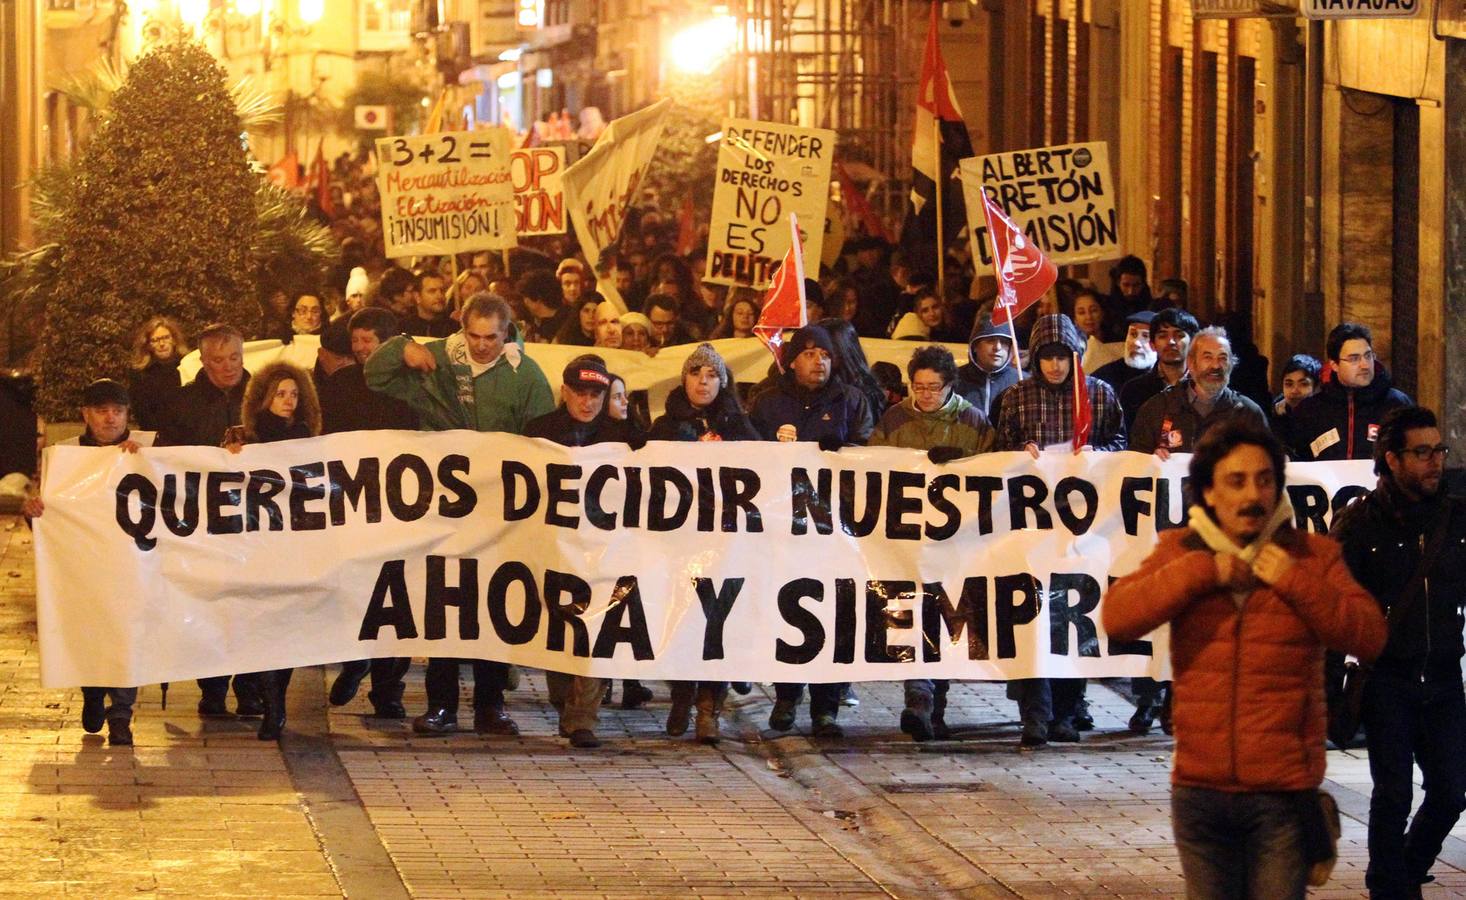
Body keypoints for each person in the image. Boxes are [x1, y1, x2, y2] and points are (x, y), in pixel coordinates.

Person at [1104, 420, 1386, 898]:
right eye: (1236, 481)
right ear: (1209, 493)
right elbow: (1118, 618)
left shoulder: (1312, 557)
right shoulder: (1182, 551)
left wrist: (1294, 581)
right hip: (1200, 794)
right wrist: (1201, 572)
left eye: (1264, 480)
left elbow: (1369, 636)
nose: (1253, 494)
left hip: (1282, 794)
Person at [366, 293, 555, 737]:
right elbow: (375, 375)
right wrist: (401, 347)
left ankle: (491, 706)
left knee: (496, 605)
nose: (482, 345)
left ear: (507, 333)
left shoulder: (525, 375)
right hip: (445, 508)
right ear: (462, 328)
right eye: (474, 336)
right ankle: (442, 705)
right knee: (443, 603)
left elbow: (544, 437)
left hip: (499, 512)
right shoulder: (438, 361)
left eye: (491, 338)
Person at [1331, 406, 1466, 897]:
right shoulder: (1359, 524)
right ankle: (1390, 888)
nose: (1435, 461)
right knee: (1393, 794)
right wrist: (1327, 694)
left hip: (1444, 677)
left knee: (1451, 790)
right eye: (1422, 452)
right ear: (1392, 458)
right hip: (1388, 678)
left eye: (1439, 450)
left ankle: (1402, 872)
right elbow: (1331, 611)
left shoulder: (1455, 516)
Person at [994, 313, 1124, 748]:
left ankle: (1067, 711)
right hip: (1030, 528)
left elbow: (1122, 446)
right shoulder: (1017, 397)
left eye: (1062, 357)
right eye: (1047, 357)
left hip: (1082, 529)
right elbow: (998, 454)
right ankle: (1035, 713)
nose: (1055, 366)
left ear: (1075, 357)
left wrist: (1095, 453)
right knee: (1032, 616)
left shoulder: (1099, 395)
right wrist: (1020, 451)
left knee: (1072, 619)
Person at [751, 325, 874, 737]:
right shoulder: (768, 403)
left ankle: (826, 707)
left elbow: (872, 452)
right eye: (809, 353)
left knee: (834, 613)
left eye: (825, 354)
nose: (818, 361)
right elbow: (747, 452)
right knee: (788, 608)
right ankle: (787, 696)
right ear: (792, 361)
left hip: (836, 528)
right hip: (783, 527)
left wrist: (847, 453)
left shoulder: (851, 400)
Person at [870, 346, 996, 741]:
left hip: (956, 542)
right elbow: (872, 465)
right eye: (918, 387)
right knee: (911, 613)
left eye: (933, 388)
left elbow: (993, 471)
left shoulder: (973, 422)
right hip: (906, 540)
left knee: (945, 617)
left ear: (950, 386)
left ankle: (933, 704)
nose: (925, 395)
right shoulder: (893, 419)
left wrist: (960, 463)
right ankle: (919, 697)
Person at [22, 379, 154, 747]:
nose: (110, 418)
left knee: (127, 636)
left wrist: (144, 459)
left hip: (130, 566)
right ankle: (94, 692)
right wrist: (35, 512)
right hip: (84, 567)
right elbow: (50, 513)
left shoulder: (146, 453)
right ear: (86, 414)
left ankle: (122, 714)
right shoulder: (65, 457)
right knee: (90, 633)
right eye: (102, 411)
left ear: (127, 414)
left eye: (118, 411)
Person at [647, 344, 760, 743]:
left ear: (722, 382)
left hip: (726, 544)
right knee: (682, 622)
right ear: (684, 378)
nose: (703, 381)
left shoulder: (740, 426)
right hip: (681, 544)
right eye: (696, 373)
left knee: (718, 625)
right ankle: (682, 696)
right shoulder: (664, 426)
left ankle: (708, 709)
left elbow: (761, 473)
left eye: (712, 375)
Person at [524, 357, 638, 749]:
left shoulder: (623, 436)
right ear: (565, 392)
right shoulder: (538, 432)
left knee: (598, 629)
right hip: (554, 546)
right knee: (559, 627)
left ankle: (582, 717)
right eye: (581, 394)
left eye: (595, 395)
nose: (588, 403)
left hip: (605, 550)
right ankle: (565, 703)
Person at [157, 323, 262, 719]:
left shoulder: (261, 395)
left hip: (253, 519)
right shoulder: (181, 403)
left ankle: (250, 689)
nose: (229, 366)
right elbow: (168, 457)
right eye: (218, 360)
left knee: (252, 606)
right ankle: (213, 687)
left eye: (234, 357)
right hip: (205, 519)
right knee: (212, 604)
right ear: (202, 361)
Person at [318, 307, 418, 717]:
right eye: (356, 340)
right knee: (358, 589)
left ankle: (388, 688)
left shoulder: (412, 385)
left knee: (399, 594)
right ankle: (356, 659)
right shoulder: (340, 384)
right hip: (355, 504)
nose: (360, 348)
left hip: (402, 504)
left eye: (368, 340)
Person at [224, 362, 322, 741]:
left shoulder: (311, 442)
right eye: (280, 393)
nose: (288, 400)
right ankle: (271, 703)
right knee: (263, 627)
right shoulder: (243, 440)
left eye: (294, 394)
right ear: (263, 397)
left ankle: (275, 699)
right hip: (256, 548)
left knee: (287, 629)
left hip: (295, 550)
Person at [1130, 326, 1268, 458]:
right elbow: (1135, 464)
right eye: (1207, 357)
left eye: (1222, 358)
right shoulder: (1156, 410)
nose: (1215, 365)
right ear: (1191, 363)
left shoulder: (1248, 414)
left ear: (1231, 365)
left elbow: (1266, 461)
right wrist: (1151, 459)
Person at [1288, 322, 1412, 462]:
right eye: (1354, 359)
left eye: (1368, 356)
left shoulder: (1398, 405)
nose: (1365, 365)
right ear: (1334, 365)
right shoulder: (1310, 411)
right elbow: (1296, 459)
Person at [1119, 307, 1200, 434]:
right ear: (1152, 344)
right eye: (1163, 336)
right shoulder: (1133, 390)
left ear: (1193, 343)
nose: (1171, 342)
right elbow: (1128, 437)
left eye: (1179, 335)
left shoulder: (1204, 386)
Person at [126, 316, 188, 431]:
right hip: (155, 434)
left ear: (174, 339)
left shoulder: (189, 366)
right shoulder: (139, 374)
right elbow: (141, 412)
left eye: (166, 337)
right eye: (155, 340)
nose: (162, 343)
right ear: (148, 345)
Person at [954, 318, 1020, 421]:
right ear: (975, 346)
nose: (997, 347)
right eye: (990, 341)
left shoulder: (1022, 381)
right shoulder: (953, 379)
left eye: (1004, 342)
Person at [1091, 310, 1157, 393]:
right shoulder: (1105, 377)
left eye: (1145, 336)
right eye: (1133, 334)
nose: (1136, 343)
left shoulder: (1168, 376)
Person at [1269, 353, 1321, 448]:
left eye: (1303, 384)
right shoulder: (1274, 416)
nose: (1294, 391)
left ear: (1316, 388)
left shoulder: (1325, 418)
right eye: (1289, 384)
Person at [1071, 289, 1123, 370]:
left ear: (1102, 313)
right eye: (1081, 312)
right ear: (1075, 319)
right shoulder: (1070, 349)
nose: (1088, 317)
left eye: (1093, 310)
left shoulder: (1118, 343)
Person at [518, 269, 570, 343]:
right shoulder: (535, 323)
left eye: (525, 297)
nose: (525, 301)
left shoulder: (565, 325)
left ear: (537, 298)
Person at [401, 271, 455, 337]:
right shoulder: (403, 328)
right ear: (417, 296)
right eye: (432, 291)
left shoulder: (454, 328)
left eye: (442, 290)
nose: (440, 296)